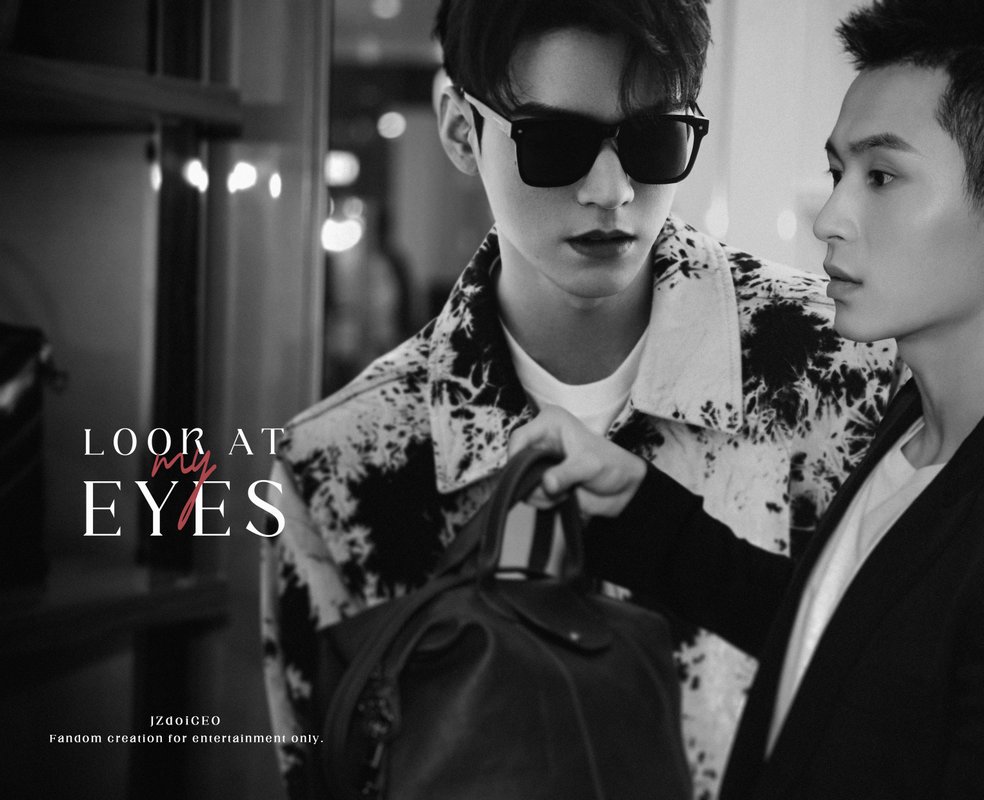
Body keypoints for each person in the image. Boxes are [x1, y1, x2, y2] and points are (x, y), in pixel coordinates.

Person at [510, 0, 984, 797]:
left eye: (882, 176)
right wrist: (637, 506)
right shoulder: (927, 421)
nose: (831, 219)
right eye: (840, 173)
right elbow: (853, 648)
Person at [260, 0, 896, 796]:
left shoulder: (845, 373)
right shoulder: (342, 466)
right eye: (554, 142)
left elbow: (923, 692)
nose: (612, 189)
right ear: (460, 129)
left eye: (653, 139)